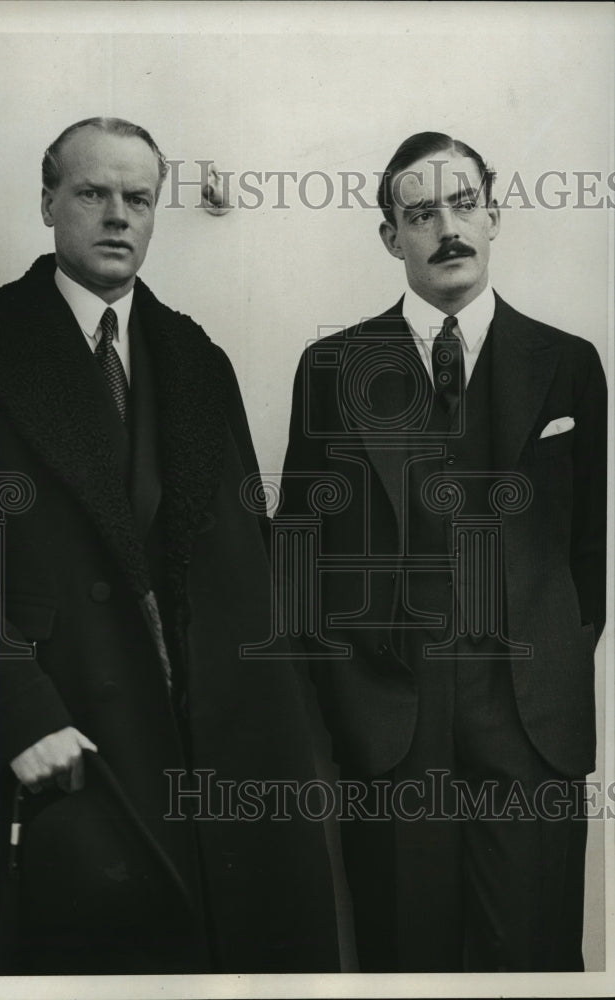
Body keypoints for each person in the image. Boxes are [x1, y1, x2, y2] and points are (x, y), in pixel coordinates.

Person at [0, 117, 339, 975]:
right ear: (47, 203)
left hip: (198, 737)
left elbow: (240, 554)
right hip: (60, 735)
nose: (117, 216)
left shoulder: (194, 356)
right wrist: (18, 717)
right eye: (92, 193)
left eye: (136, 198)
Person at [279, 132, 607, 972]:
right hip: (392, 717)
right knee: (405, 963)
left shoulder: (569, 366)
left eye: (462, 205)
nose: (445, 228)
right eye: (420, 213)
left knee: (531, 963)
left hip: (529, 715)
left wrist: (552, 658)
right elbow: (300, 558)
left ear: (493, 216)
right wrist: (350, 695)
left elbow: (588, 556)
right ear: (391, 237)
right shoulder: (331, 367)